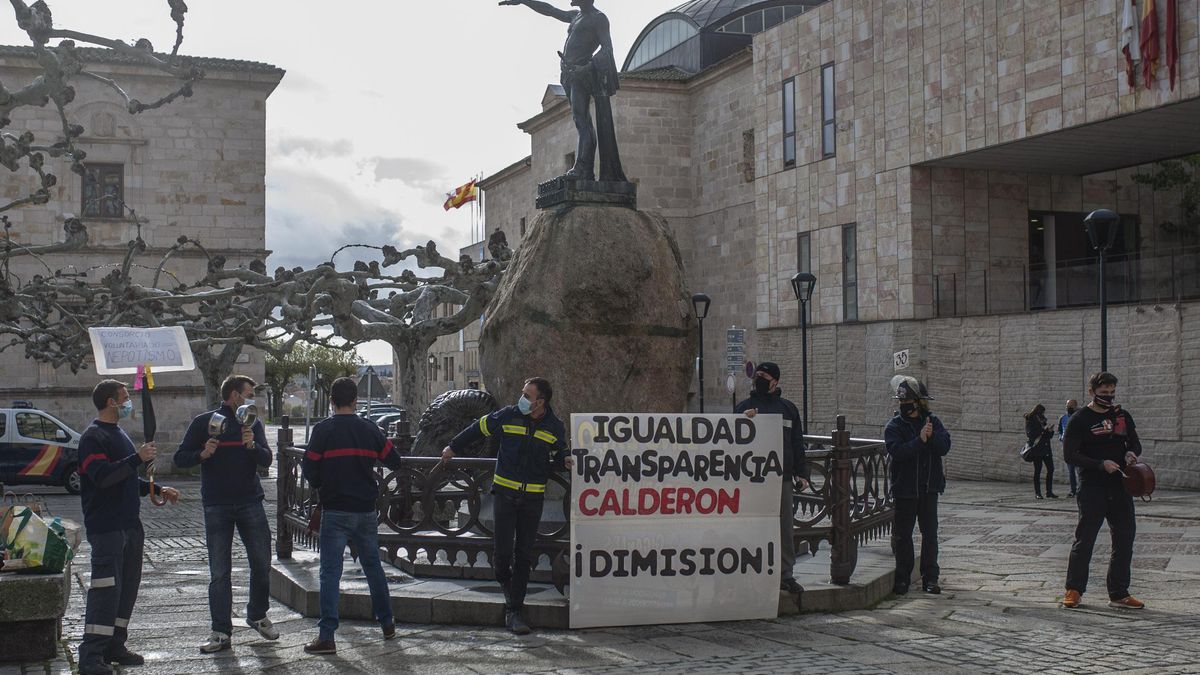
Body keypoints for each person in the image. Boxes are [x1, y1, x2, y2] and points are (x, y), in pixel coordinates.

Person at [441, 377, 572, 635]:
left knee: (523, 555)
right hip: (504, 496)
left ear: (541, 402)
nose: (522, 398)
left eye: (527, 395)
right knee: (502, 555)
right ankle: (506, 585)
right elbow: (478, 428)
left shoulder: (554, 426)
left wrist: (565, 458)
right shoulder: (508, 415)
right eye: (522, 393)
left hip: (532, 500)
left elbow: (559, 452)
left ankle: (515, 609)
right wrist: (452, 447)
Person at [78, 379, 180, 675]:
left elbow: (123, 477)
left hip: (129, 525)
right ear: (111, 402)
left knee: (127, 589)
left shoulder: (118, 433)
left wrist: (158, 489)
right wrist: (137, 458)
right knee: (106, 590)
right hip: (107, 527)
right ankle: (91, 656)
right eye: (124, 397)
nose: (128, 401)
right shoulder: (93, 438)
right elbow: (103, 476)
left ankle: (115, 645)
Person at [301, 377, 405, 655]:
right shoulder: (369, 429)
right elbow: (394, 461)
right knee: (373, 567)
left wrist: (324, 481)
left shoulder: (323, 431)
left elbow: (309, 470)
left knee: (330, 573)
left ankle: (327, 637)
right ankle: (387, 624)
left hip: (335, 509)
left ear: (332, 401)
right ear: (355, 400)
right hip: (365, 510)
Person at [175, 375, 278, 653]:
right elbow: (180, 458)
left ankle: (257, 614)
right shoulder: (204, 423)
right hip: (217, 505)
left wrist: (252, 446)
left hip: (250, 502)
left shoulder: (252, 423)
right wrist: (202, 454)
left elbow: (267, 459)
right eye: (248, 394)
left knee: (261, 562)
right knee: (220, 571)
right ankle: (220, 631)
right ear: (234, 395)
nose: (251, 399)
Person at [499, 0, 628, 182]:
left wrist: (587, 67)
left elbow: (607, 49)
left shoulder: (598, 18)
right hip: (568, 74)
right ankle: (586, 172)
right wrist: (524, 1)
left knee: (582, 120)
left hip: (581, 73)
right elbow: (550, 10)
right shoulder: (576, 16)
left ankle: (582, 168)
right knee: (580, 120)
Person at [1061, 372, 1144, 610]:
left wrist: (1131, 453)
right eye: (1103, 393)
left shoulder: (1122, 416)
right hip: (1092, 486)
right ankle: (1074, 589)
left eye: (1111, 392)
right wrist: (1100, 464)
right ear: (1092, 392)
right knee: (1085, 539)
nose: (1108, 397)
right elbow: (1070, 455)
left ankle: (1119, 593)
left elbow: (1135, 442)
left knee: (1124, 538)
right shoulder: (1080, 419)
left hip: (1120, 485)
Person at [735, 362, 809, 595]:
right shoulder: (743, 408)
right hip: (752, 480)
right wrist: (743, 422)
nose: (758, 378)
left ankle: (785, 574)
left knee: (784, 527)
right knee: (752, 526)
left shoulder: (788, 409)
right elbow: (731, 439)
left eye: (764, 375)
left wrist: (802, 473)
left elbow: (797, 443)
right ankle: (751, 572)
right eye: (757, 375)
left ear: (775, 380)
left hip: (782, 478)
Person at [884, 376, 951, 596]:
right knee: (903, 536)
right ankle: (902, 578)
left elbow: (944, 446)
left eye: (908, 402)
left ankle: (930, 578)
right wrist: (920, 440)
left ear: (919, 402)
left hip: (929, 488)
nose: (904, 406)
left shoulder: (933, 421)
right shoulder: (894, 426)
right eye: (901, 402)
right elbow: (898, 452)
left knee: (930, 534)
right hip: (905, 488)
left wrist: (930, 438)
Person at [1024, 404, 1058, 499]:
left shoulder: (1043, 420)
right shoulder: (1030, 420)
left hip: (1046, 448)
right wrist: (1043, 430)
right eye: (1042, 412)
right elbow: (1030, 434)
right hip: (1037, 449)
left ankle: (1049, 491)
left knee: (1051, 469)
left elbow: (1048, 436)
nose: (1043, 414)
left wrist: (1050, 431)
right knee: (1037, 471)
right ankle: (1038, 493)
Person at [1059, 399, 1080, 497]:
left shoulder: (1079, 416)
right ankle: (1073, 490)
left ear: (1075, 406)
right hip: (1067, 448)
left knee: (1079, 470)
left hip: (1078, 448)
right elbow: (1060, 430)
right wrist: (1061, 437)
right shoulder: (1063, 418)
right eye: (1067, 405)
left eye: (1070, 406)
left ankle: (1081, 489)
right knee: (1071, 471)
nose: (1068, 407)